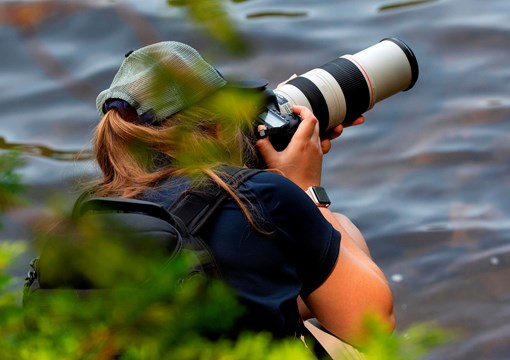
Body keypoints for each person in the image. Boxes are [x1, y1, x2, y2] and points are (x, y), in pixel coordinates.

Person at [91, 41, 394, 348]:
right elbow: (372, 326)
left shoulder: (102, 210)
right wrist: (305, 190)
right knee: (343, 229)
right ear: (218, 127)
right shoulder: (261, 197)